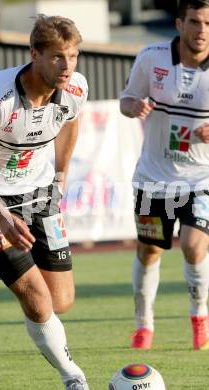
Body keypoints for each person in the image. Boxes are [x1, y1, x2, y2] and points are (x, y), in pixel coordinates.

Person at [0, 14, 89, 390]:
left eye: (73, 56)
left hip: (39, 189)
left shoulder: (75, 88)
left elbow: (71, 120)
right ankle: (73, 377)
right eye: (58, 57)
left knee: (62, 301)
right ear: (35, 54)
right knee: (37, 300)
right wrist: (4, 217)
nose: (67, 66)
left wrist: (61, 173)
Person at [120, 0, 209, 351]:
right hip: (153, 179)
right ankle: (144, 325)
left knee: (192, 245)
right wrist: (135, 108)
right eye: (195, 22)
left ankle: (199, 314)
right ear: (179, 23)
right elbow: (125, 100)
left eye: (207, 23)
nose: (202, 30)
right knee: (149, 252)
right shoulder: (151, 57)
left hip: (201, 179)